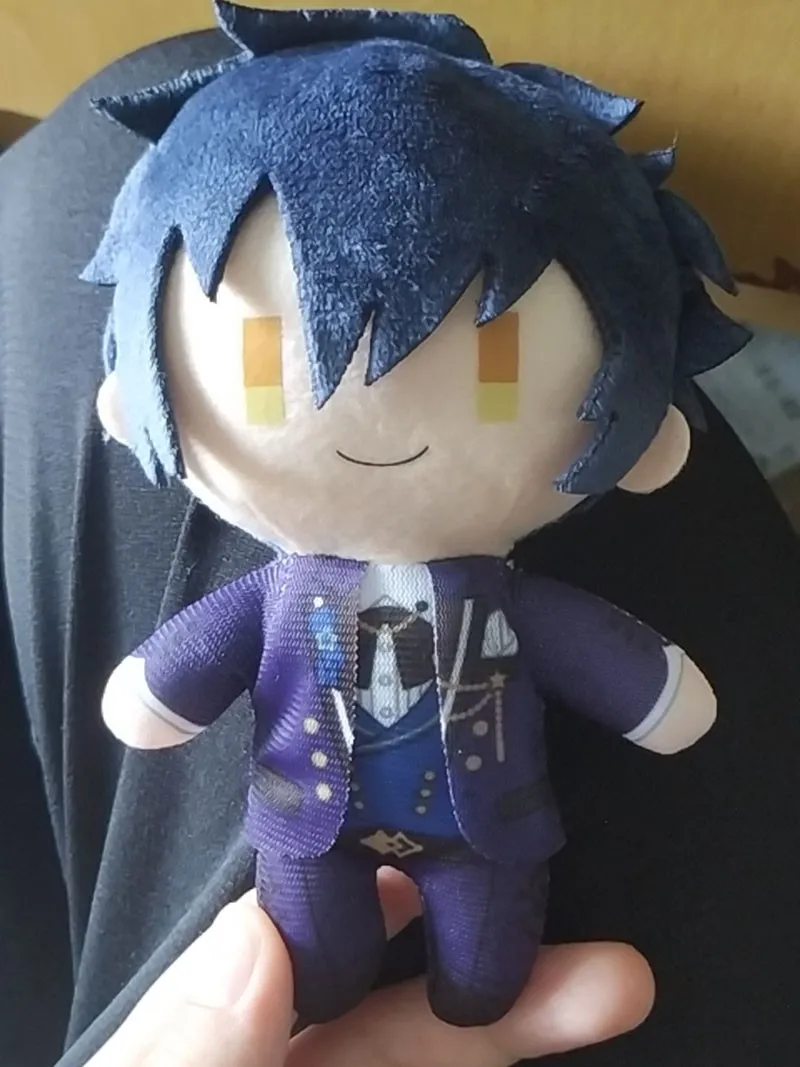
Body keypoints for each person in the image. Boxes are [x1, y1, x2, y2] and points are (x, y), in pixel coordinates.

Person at [1, 14, 800, 1067]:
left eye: (500, 367)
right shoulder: (291, 595)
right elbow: (196, 658)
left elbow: (585, 647)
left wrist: (648, 688)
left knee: (483, 975)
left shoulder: (493, 596)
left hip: (485, 822)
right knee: (314, 963)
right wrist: (162, 686)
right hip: (309, 821)